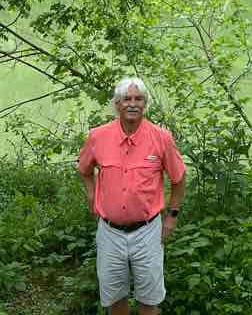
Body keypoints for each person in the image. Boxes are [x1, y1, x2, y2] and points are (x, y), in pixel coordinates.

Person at [78, 76, 186, 315]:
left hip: (147, 231)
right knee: (115, 299)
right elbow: (84, 169)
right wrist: (91, 195)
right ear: (117, 104)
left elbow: (179, 179)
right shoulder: (98, 136)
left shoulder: (161, 137)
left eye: (138, 99)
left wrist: (172, 217)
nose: (133, 104)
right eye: (127, 99)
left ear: (145, 104)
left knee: (149, 300)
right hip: (109, 232)